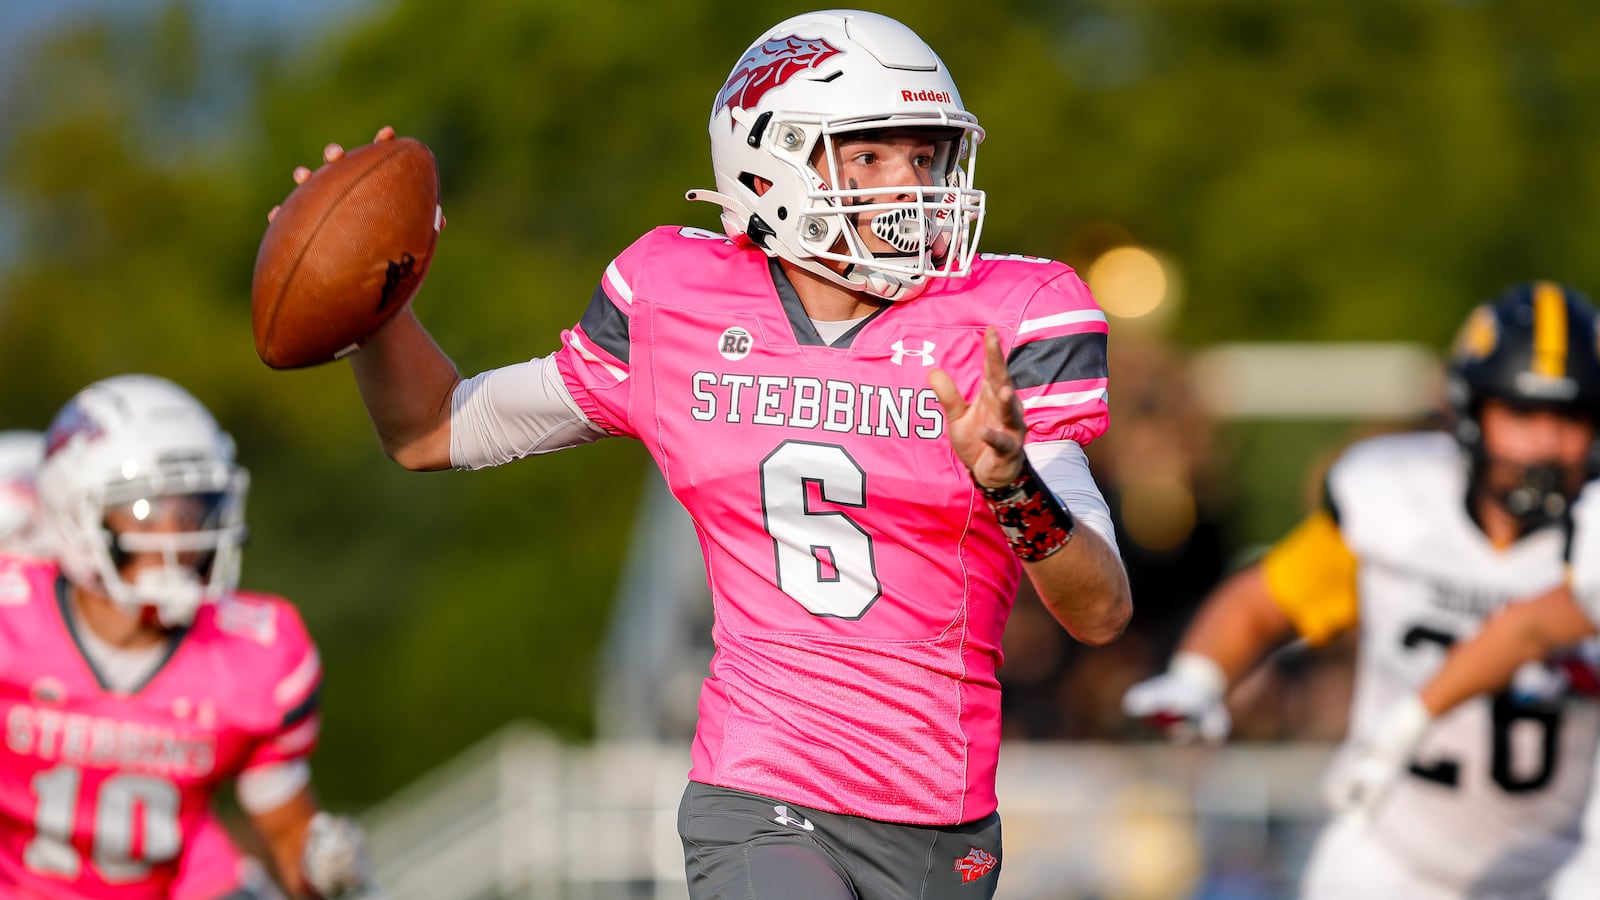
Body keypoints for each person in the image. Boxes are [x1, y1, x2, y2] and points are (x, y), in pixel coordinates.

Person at [272, 9, 1131, 898]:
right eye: (870, 156)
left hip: (942, 818)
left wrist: (1012, 484)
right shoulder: (677, 298)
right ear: (772, 160)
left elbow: (1099, 610)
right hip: (760, 785)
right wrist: (374, 296)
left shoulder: (1010, 317)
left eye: (925, 156)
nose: (910, 184)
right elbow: (434, 428)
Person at [1121, 281, 1600, 898]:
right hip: (1391, 857)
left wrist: (1406, 722)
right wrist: (1200, 676)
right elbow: (1267, 601)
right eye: (1523, 413)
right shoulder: (1398, 498)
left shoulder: (1590, 530)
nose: (1546, 444)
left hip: (1561, 870)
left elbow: (1527, 629)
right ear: (1471, 410)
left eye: (1570, 418)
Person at [0, 374, 378, 899]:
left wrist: (323, 870)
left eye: (192, 509)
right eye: (145, 511)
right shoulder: (11, 622)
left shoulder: (256, 657)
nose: (178, 536)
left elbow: (292, 842)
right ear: (73, 515)